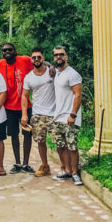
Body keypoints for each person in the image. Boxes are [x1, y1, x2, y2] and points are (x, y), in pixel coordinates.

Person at [0, 42, 34, 173]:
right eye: (4, 51)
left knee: (27, 134)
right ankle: (17, 163)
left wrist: (50, 67)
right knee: (14, 135)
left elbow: (40, 63)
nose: (7, 52)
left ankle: (26, 164)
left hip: (25, 106)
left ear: (15, 50)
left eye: (10, 50)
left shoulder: (25, 60)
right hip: (8, 108)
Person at [50, 46, 83, 186]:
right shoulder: (57, 73)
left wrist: (73, 114)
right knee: (60, 145)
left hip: (69, 117)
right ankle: (67, 170)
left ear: (66, 56)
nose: (59, 57)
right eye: (56, 55)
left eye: (61, 55)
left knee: (72, 146)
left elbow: (78, 94)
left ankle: (75, 173)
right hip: (58, 116)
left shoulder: (72, 74)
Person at [21, 47, 56, 177]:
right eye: (34, 57)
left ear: (43, 58)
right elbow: (24, 96)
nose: (36, 59)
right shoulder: (29, 77)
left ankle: (65, 167)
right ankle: (45, 165)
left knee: (59, 141)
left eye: (39, 57)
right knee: (40, 141)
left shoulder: (53, 72)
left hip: (54, 113)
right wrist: (24, 114)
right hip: (37, 114)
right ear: (31, 59)